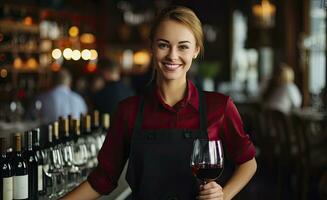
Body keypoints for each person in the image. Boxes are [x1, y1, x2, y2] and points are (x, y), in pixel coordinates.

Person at [62, 6, 257, 200]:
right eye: (164, 45)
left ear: (196, 50)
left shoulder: (219, 106)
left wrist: (224, 195)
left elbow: (248, 162)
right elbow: (103, 179)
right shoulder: (128, 111)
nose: (172, 55)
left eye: (183, 46)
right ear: (152, 47)